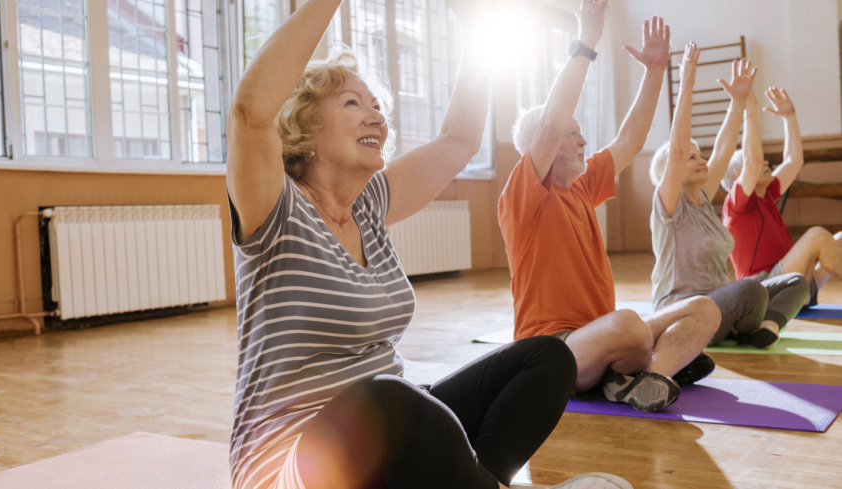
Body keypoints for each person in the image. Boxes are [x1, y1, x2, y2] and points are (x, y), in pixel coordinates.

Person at [226, 0, 629, 488]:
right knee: (388, 400)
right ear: (305, 126)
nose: (376, 118)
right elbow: (250, 111)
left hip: (385, 445)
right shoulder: (276, 208)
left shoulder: (369, 205)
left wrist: (479, 34)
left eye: (377, 107)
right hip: (294, 464)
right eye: (353, 104)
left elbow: (459, 140)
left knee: (547, 359)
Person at [500, 10, 720, 415]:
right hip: (553, 350)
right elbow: (550, 124)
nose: (583, 140)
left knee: (705, 309)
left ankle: (647, 376)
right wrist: (586, 43)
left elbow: (630, 139)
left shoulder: (583, 184)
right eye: (573, 134)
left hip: (602, 335)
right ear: (544, 147)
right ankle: (643, 367)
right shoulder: (523, 195)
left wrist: (655, 71)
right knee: (629, 326)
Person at [649, 46, 810, 350]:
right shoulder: (668, 207)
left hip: (720, 305)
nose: (701, 160)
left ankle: (763, 328)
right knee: (749, 290)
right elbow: (678, 148)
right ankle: (744, 325)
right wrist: (687, 83)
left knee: (796, 282)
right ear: (672, 170)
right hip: (682, 312)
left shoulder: (703, 199)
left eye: (700, 154)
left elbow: (723, 149)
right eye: (691, 157)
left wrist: (737, 102)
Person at [721, 87, 842, 304]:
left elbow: (794, 161)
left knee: (840, 239)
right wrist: (750, 109)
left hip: (791, 284)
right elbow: (753, 163)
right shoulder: (735, 205)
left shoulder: (766, 194)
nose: (766, 163)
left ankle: (802, 297)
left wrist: (789, 117)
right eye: (760, 162)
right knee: (816, 236)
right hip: (761, 291)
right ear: (740, 176)